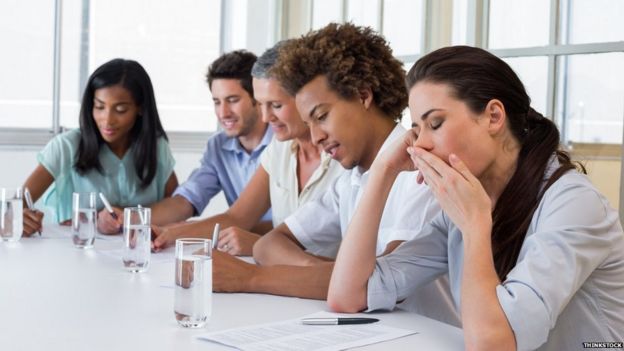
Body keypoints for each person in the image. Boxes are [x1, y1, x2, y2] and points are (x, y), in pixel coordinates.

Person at [327, 46, 624, 350]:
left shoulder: (573, 203)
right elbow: (348, 296)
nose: (421, 145)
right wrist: (383, 169)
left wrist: (475, 227)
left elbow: (492, 344)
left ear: (494, 116)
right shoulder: (465, 207)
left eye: (436, 124)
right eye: (416, 130)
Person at [209, 24, 459, 326]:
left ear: (363, 95)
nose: (314, 137)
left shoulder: (420, 172)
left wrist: (251, 277)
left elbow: (377, 283)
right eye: (308, 123)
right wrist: (333, 271)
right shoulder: (350, 180)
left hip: (429, 339)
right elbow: (269, 244)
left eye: (322, 116)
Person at [152, 41, 344, 256]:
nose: (265, 117)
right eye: (262, 104)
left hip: (315, 280)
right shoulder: (280, 148)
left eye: (276, 105)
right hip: (280, 275)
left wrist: (257, 246)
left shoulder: (343, 155)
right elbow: (238, 217)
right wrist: (169, 234)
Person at [22, 58, 178, 235]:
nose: (107, 120)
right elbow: (14, 207)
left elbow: (178, 209)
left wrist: (129, 217)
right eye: (99, 107)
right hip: (76, 253)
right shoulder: (66, 146)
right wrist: (19, 219)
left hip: (141, 254)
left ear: (140, 108)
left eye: (120, 110)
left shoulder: (157, 147)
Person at [150, 50, 273, 227]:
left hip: (284, 248)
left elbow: (296, 227)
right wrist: (130, 220)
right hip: (238, 247)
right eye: (217, 102)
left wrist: (191, 230)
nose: (223, 113)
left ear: (257, 98)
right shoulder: (218, 146)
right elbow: (187, 199)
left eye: (232, 100)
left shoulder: (284, 143)